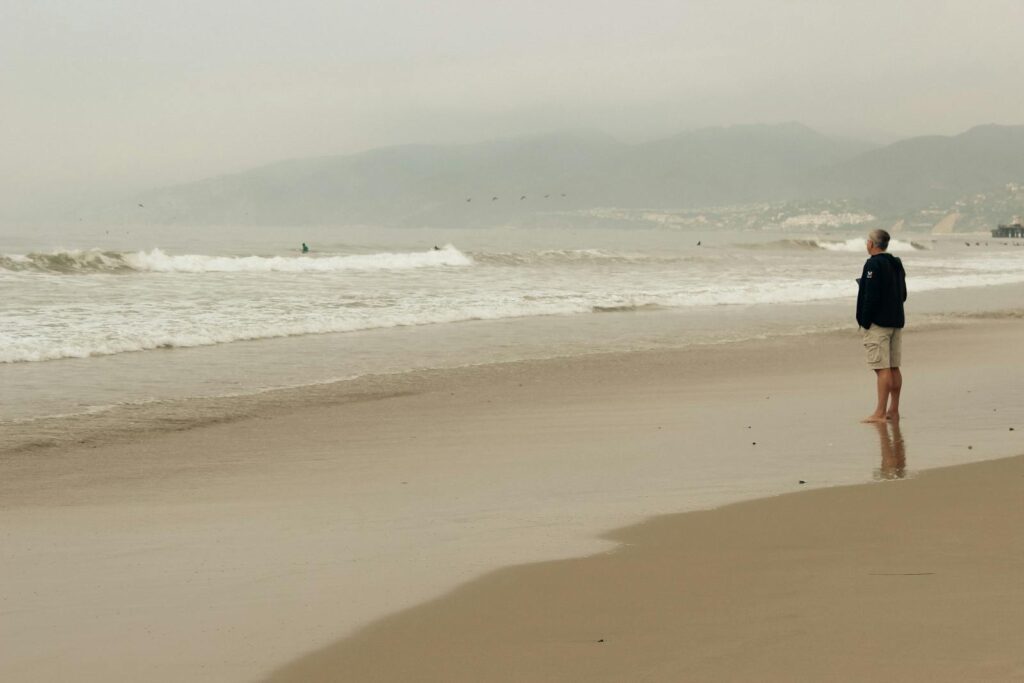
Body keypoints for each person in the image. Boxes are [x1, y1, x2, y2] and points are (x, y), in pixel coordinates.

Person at [856, 229, 907, 423]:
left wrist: (864, 321)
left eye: (867, 241)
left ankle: (879, 412)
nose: (866, 244)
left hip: (879, 323)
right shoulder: (896, 263)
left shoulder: (873, 264)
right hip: (896, 320)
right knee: (893, 367)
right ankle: (893, 410)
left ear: (872, 243)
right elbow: (903, 294)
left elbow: (871, 296)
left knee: (882, 368)